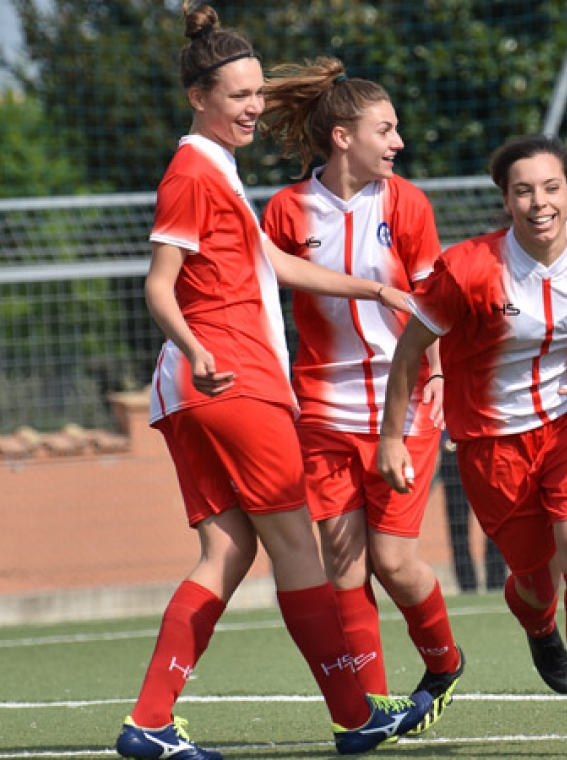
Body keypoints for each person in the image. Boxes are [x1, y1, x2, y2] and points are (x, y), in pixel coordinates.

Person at [115, 6, 431, 760]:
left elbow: (272, 266)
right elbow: (159, 287)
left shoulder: (215, 168)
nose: (255, 106)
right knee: (299, 548)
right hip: (232, 383)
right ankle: (357, 717)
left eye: (258, 92)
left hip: (195, 394)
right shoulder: (193, 171)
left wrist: (374, 290)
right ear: (200, 97)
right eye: (238, 95)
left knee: (225, 554)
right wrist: (197, 348)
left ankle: (149, 723)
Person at [377, 134, 567, 754]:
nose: (539, 202)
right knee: (534, 578)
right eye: (523, 190)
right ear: (506, 200)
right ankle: (538, 621)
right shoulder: (469, 266)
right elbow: (411, 349)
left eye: (551, 187)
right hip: (492, 442)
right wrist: (393, 435)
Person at [258, 56, 464, 734]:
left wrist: (434, 373)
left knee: (395, 561)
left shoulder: (407, 202)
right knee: (344, 570)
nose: (398, 142)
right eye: (387, 128)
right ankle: (376, 716)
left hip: (400, 403)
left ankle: (442, 661)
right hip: (322, 406)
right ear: (344, 137)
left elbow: (432, 301)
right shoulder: (287, 210)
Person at [440, 432, 507, 593]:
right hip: (453, 450)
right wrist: (442, 439)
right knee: (457, 524)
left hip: (487, 449)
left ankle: (496, 583)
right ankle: (467, 586)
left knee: (496, 519)